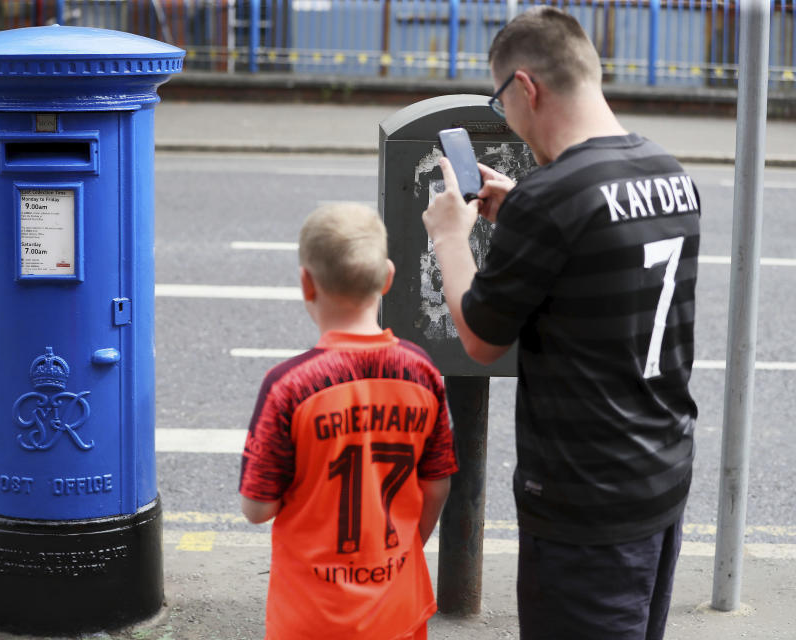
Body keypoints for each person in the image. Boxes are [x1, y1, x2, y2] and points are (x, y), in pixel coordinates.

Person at [421, 7, 699, 640]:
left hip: (583, 502)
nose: (509, 122)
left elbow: (480, 337)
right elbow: (607, 246)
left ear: (526, 87)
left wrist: (449, 239)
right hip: (660, 478)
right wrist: (522, 208)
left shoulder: (552, 198)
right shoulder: (669, 172)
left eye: (501, 105)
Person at [239, 203, 458, 640]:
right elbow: (437, 484)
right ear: (388, 277)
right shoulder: (422, 373)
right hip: (397, 603)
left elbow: (258, 508)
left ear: (306, 283)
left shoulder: (289, 387)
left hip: (310, 614)